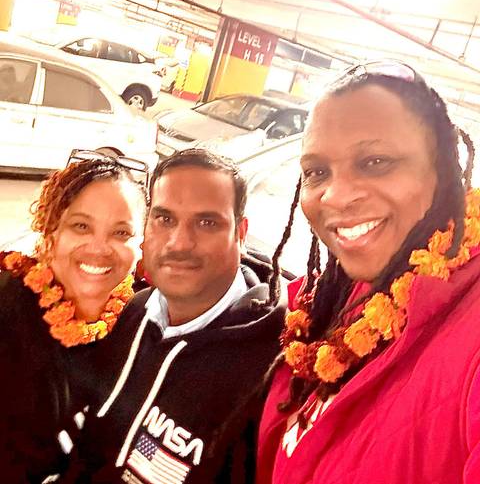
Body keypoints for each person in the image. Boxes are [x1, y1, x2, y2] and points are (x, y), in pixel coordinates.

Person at [256, 60, 480, 484]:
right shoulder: (327, 299)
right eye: (317, 172)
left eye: (376, 161)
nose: (336, 196)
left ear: (441, 168)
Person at [63, 149, 285, 484]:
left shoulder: (271, 366)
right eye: (165, 219)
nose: (180, 242)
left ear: (240, 234)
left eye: (207, 222)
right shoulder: (134, 312)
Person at [0, 154, 147, 482]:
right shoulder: (8, 305)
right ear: (51, 235)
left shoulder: (146, 326)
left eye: (121, 233)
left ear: (142, 245)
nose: (99, 247)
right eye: (81, 226)